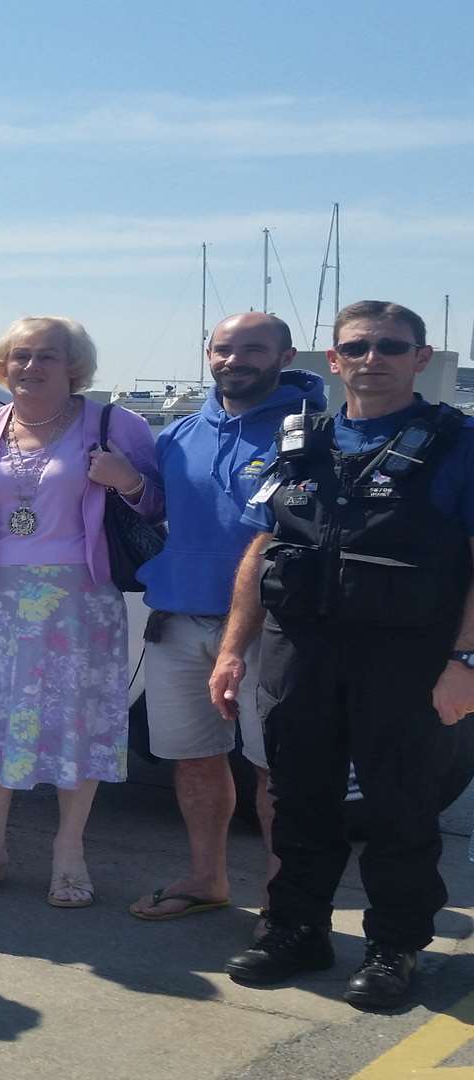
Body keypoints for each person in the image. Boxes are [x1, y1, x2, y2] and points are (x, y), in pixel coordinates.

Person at [216, 301, 474, 1009]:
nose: (373, 358)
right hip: (299, 649)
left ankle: (396, 946)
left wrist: (466, 662)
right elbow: (264, 548)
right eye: (356, 346)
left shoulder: (458, 442)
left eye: (392, 346)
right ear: (332, 359)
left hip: (408, 656)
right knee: (298, 798)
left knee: (400, 804)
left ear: (422, 357)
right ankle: (297, 930)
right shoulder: (303, 440)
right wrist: (232, 651)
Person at [0, 316, 161, 906]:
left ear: (73, 366)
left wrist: (128, 480)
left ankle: (69, 852)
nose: (30, 367)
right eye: (20, 356)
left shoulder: (116, 424)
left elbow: (157, 505)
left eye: (47, 356)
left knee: (75, 723)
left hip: (80, 601)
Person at [127, 313, 324, 921]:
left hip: (274, 631)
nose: (235, 360)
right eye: (224, 349)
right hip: (179, 624)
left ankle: (279, 897)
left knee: (275, 770)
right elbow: (156, 509)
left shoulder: (313, 436)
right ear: (208, 354)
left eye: (253, 350)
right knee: (193, 759)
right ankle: (205, 878)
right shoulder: (180, 433)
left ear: (285, 356)